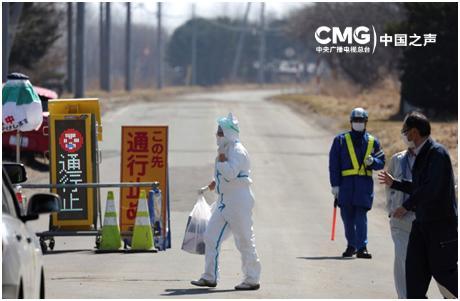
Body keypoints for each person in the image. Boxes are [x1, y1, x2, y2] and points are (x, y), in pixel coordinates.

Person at [378, 111, 457, 298]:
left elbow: (431, 189)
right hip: (421, 226)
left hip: (440, 228)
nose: (404, 137)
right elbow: (419, 187)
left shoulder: (437, 154)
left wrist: (406, 205)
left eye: (405, 132)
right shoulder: (420, 154)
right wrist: (395, 183)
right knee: (413, 281)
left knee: (445, 276)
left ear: (414, 132)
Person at [191, 113, 261, 290]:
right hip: (224, 201)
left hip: (238, 202)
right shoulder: (226, 148)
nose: (217, 134)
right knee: (210, 237)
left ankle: (252, 279)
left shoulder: (237, 150)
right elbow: (224, 175)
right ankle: (209, 276)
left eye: (220, 132)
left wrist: (221, 159)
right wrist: (212, 184)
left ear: (229, 133)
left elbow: (230, 173)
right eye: (217, 131)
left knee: (244, 240)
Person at [386, 148, 453, 298]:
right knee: (404, 263)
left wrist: (406, 205)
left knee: (438, 266)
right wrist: (391, 208)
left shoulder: (437, 160)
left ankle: (450, 295)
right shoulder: (397, 159)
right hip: (402, 222)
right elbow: (388, 186)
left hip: (430, 222)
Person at [329, 107, 385, 259]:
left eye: (361, 121)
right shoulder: (340, 140)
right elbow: (334, 165)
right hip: (345, 185)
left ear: (366, 122)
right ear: (351, 122)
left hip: (364, 185)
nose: (358, 123)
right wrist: (335, 185)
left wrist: (373, 161)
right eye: (355, 121)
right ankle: (351, 245)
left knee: (361, 216)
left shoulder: (373, 142)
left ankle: (362, 247)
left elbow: (381, 162)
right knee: (347, 217)